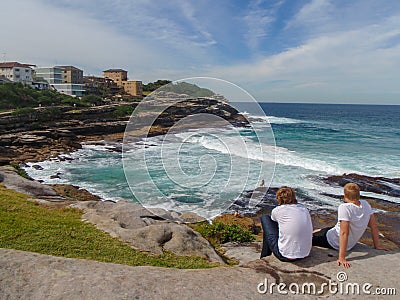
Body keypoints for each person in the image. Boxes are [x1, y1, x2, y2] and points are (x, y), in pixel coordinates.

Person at [312, 183, 389, 268]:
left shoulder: (345, 207)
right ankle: (318, 231)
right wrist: (376, 245)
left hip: (332, 241)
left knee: (312, 237)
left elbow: (344, 233)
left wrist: (342, 257)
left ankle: (315, 233)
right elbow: (374, 226)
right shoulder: (366, 204)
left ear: (345, 195)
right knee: (322, 230)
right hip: (346, 241)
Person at [260, 186, 313, 262]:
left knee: (265, 218)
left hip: (285, 255)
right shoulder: (304, 208)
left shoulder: (278, 210)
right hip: (305, 253)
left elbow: (273, 221)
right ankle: (265, 256)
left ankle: (264, 256)